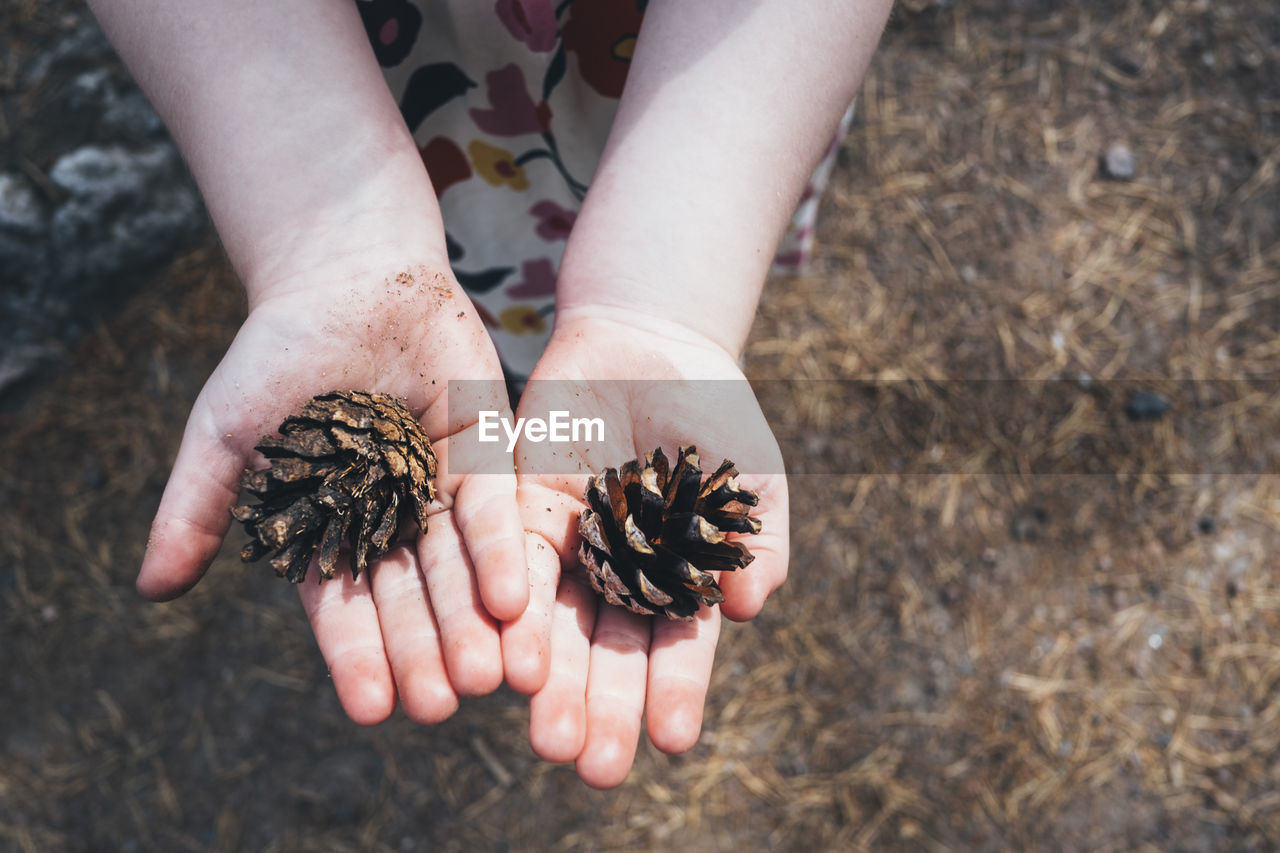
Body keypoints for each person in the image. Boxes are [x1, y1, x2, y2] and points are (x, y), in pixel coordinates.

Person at [87, 0, 893, 788]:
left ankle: (532, 360)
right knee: (489, 284)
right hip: (374, 87)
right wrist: (324, 233)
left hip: (702, 104)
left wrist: (669, 287)